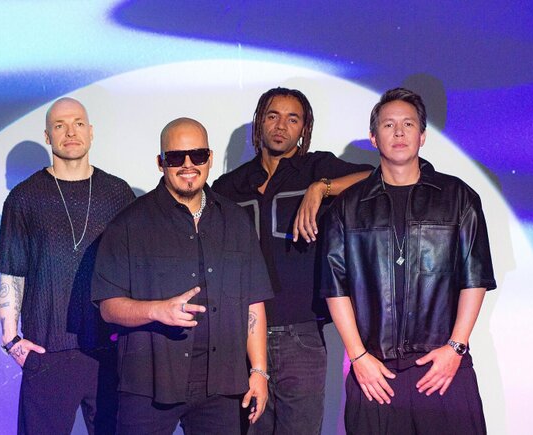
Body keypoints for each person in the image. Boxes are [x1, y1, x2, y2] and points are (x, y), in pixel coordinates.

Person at [321, 88, 496, 434]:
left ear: (422, 136)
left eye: (408, 124)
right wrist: (358, 357)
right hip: (376, 372)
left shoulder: (458, 198)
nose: (399, 132)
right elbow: (335, 287)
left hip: (443, 366)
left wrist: (455, 348)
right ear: (374, 137)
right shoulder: (347, 206)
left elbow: (474, 279)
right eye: (388, 125)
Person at [91, 118, 273, 435]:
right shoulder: (129, 224)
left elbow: (253, 300)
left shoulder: (236, 220)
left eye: (197, 155)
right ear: (161, 162)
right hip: (149, 384)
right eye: (176, 157)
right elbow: (108, 306)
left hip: (222, 386)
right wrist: (157, 310)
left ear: (209, 158)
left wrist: (259, 370)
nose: (188, 165)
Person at [212, 87, 372, 434]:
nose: (281, 126)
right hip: (243, 334)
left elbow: (375, 178)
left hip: (302, 333)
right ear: (260, 122)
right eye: (273, 116)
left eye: (292, 119)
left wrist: (321, 188)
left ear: (304, 128)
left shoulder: (315, 168)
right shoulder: (230, 186)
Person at [0, 97, 135, 434]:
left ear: (91, 131)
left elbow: (135, 271)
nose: (71, 132)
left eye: (78, 123)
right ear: (48, 136)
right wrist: (11, 340)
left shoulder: (118, 193)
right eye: (60, 125)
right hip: (47, 352)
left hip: (109, 350)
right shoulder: (24, 198)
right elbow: (12, 272)